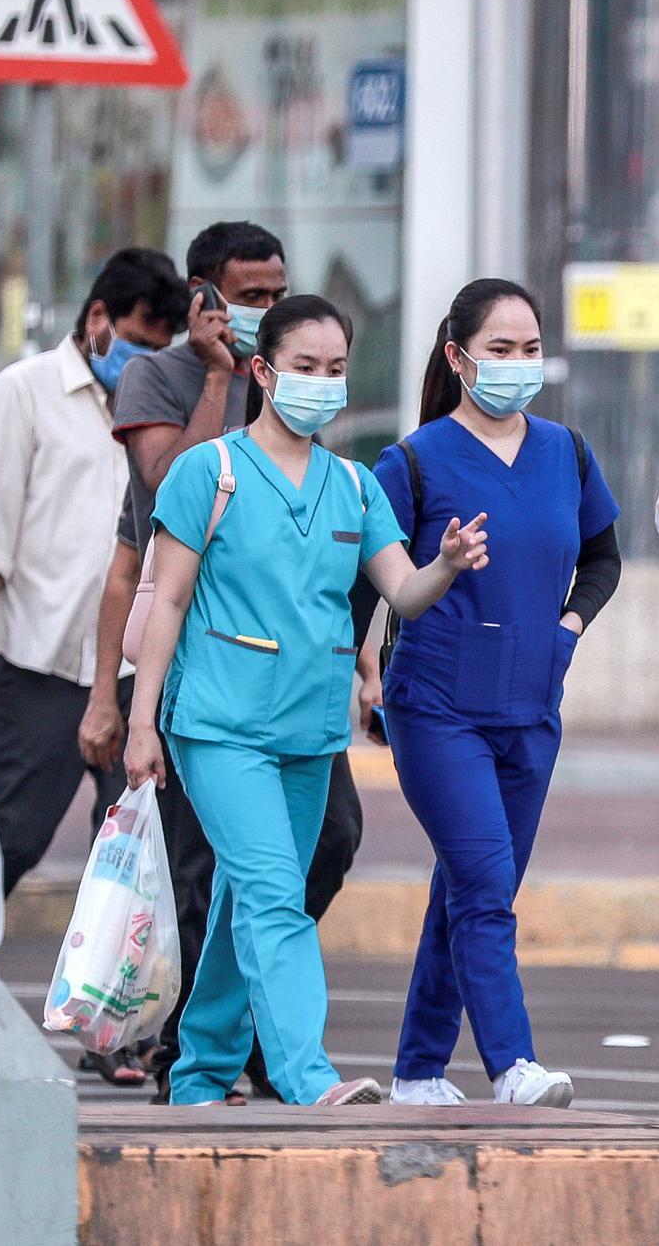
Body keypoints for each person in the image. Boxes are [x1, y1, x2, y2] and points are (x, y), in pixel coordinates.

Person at [124, 295, 488, 1108]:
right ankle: (306, 1074)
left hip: (309, 730)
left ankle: (201, 1072)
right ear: (263, 372)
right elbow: (170, 604)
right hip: (216, 724)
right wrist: (141, 722)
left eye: (335, 371)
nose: (322, 384)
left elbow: (404, 589)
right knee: (273, 893)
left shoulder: (356, 488)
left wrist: (449, 562)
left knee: (242, 898)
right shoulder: (206, 472)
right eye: (305, 368)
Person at [87, 220, 369, 1101]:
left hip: (295, 693)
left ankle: (206, 1056)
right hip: (198, 677)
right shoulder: (162, 376)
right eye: (251, 295)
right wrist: (220, 374)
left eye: (279, 291)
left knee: (307, 855)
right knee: (234, 877)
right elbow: (166, 480)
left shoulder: (309, 411)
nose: (269, 308)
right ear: (203, 296)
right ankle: (288, 1063)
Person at [360, 278, 621, 1109]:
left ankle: (417, 1071)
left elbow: (603, 557)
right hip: (437, 706)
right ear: (458, 357)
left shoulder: (566, 452)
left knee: (473, 885)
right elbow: (371, 579)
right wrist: (359, 669)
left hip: (531, 706)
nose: (518, 365)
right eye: (500, 350)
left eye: (531, 350)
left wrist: (568, 629)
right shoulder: (412, 461)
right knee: (482, 882)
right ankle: (513, 1064)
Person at [0, 246, 185, 897]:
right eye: (134, 342)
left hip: (132, 670)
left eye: (159, 348)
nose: (143, 359)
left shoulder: (162, 410)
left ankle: (115, 995)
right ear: (97, 316)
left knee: (146, 855)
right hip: (32, 663)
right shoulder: (25, 391)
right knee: (10, 838)